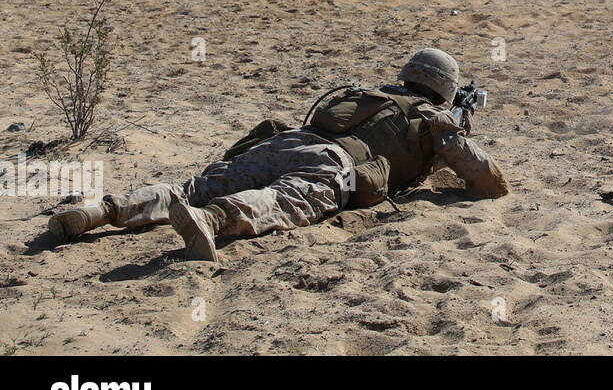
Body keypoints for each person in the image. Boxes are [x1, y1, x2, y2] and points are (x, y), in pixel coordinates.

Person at [46, 48, 508, 261]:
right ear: (445, 91)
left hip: (289, 141)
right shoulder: (435, 118)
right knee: (283, 201)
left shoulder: (374, 93)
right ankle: (212, 221)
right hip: (333, 165)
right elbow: (487, 181)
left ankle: (99, 211)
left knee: (195, 186)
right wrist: (457, 132)